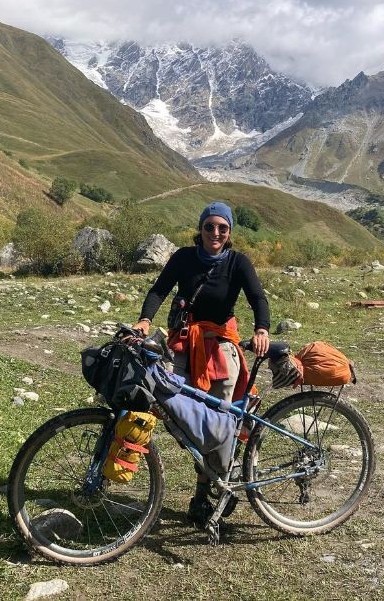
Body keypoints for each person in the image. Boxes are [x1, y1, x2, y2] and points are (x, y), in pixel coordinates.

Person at [132, 201, 270, 527]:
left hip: (221, 348)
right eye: (210, 226)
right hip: (185, 345)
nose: (216, 233)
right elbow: (159, 289)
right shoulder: (183, 257)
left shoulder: (238, 262)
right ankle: (208, 481)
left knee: (219, 425)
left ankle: (206, 494)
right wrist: (144, 320)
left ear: (230, 231)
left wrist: (261, 328)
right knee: (174, 408)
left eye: (223, 228)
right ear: (201, 228)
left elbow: (257, 298)